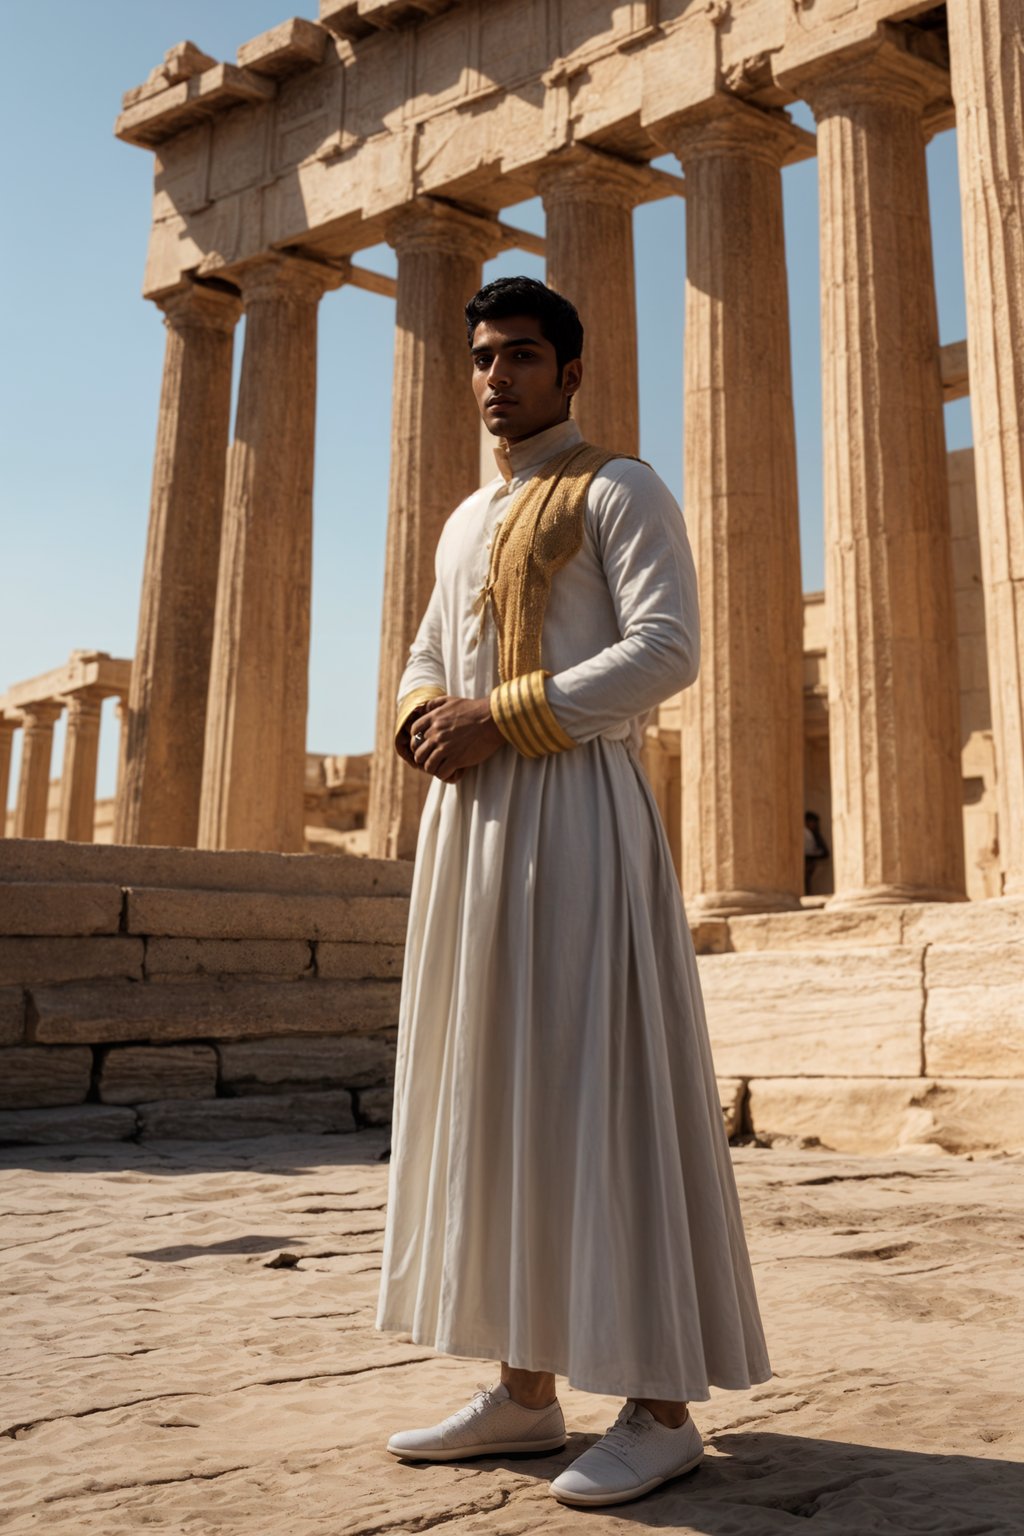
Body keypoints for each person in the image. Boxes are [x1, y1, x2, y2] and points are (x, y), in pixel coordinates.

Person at [376, 276, 771, 1508]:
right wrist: (418, 722)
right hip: (471, 830)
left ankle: (658, 1405)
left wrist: (498, 716)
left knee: (601, 1083)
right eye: (483, 358)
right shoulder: (460, 519)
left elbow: (667, 649)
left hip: (579, 812)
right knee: (494, 1091)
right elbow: (429, 653)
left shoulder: (620, 487)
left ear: (571, 371)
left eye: (523, 356)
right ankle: (526, 1392)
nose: (498, 377)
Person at [804, 810, 831, 895]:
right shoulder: (805, 833)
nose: (814, 825)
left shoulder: (813, 834)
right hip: (806, 861)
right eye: (812, 822)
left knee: (806, 881)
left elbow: (824, 852)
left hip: (809, 862)